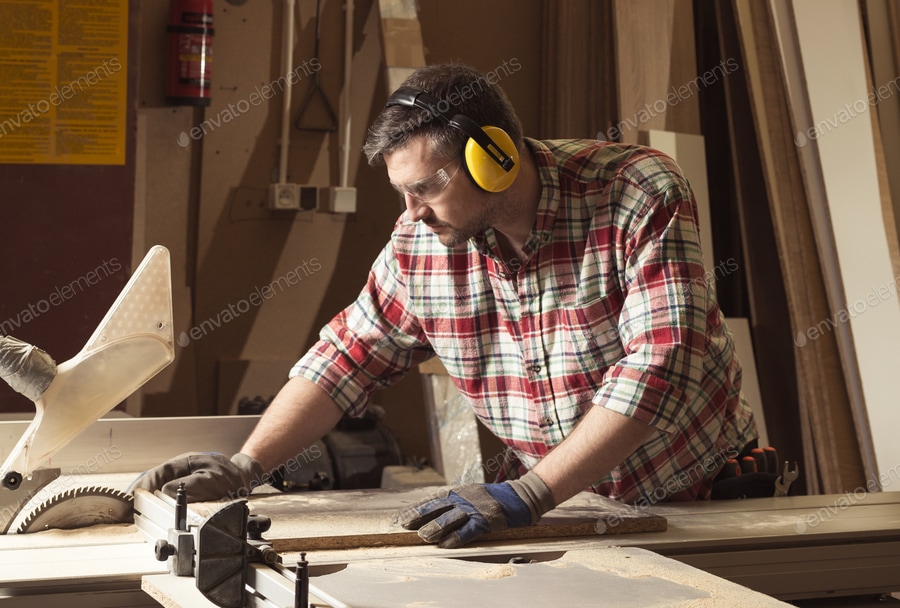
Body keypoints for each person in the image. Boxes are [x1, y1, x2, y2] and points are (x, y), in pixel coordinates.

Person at [135, 62, 757, 549]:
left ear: (497, 159)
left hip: (695, 505)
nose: (411, 213)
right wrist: (248, 465)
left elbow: (662, 366)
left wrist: (528, 494)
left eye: (426, 187)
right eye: (402, 192)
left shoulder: (635, 192)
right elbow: (346, 359)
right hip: (570, 514)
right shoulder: (420, 244)